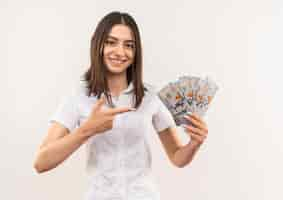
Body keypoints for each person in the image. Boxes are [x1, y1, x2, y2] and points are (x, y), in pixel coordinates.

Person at [33, 11, 209, 200]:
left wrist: (194, 144)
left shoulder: (151, 97)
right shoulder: (78, 97)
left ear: (136, 52)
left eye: (129, 45)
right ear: (98, 45)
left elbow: (177, 156)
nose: (120, 52)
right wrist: (87, 130)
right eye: (111, 42)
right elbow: (41, 162)